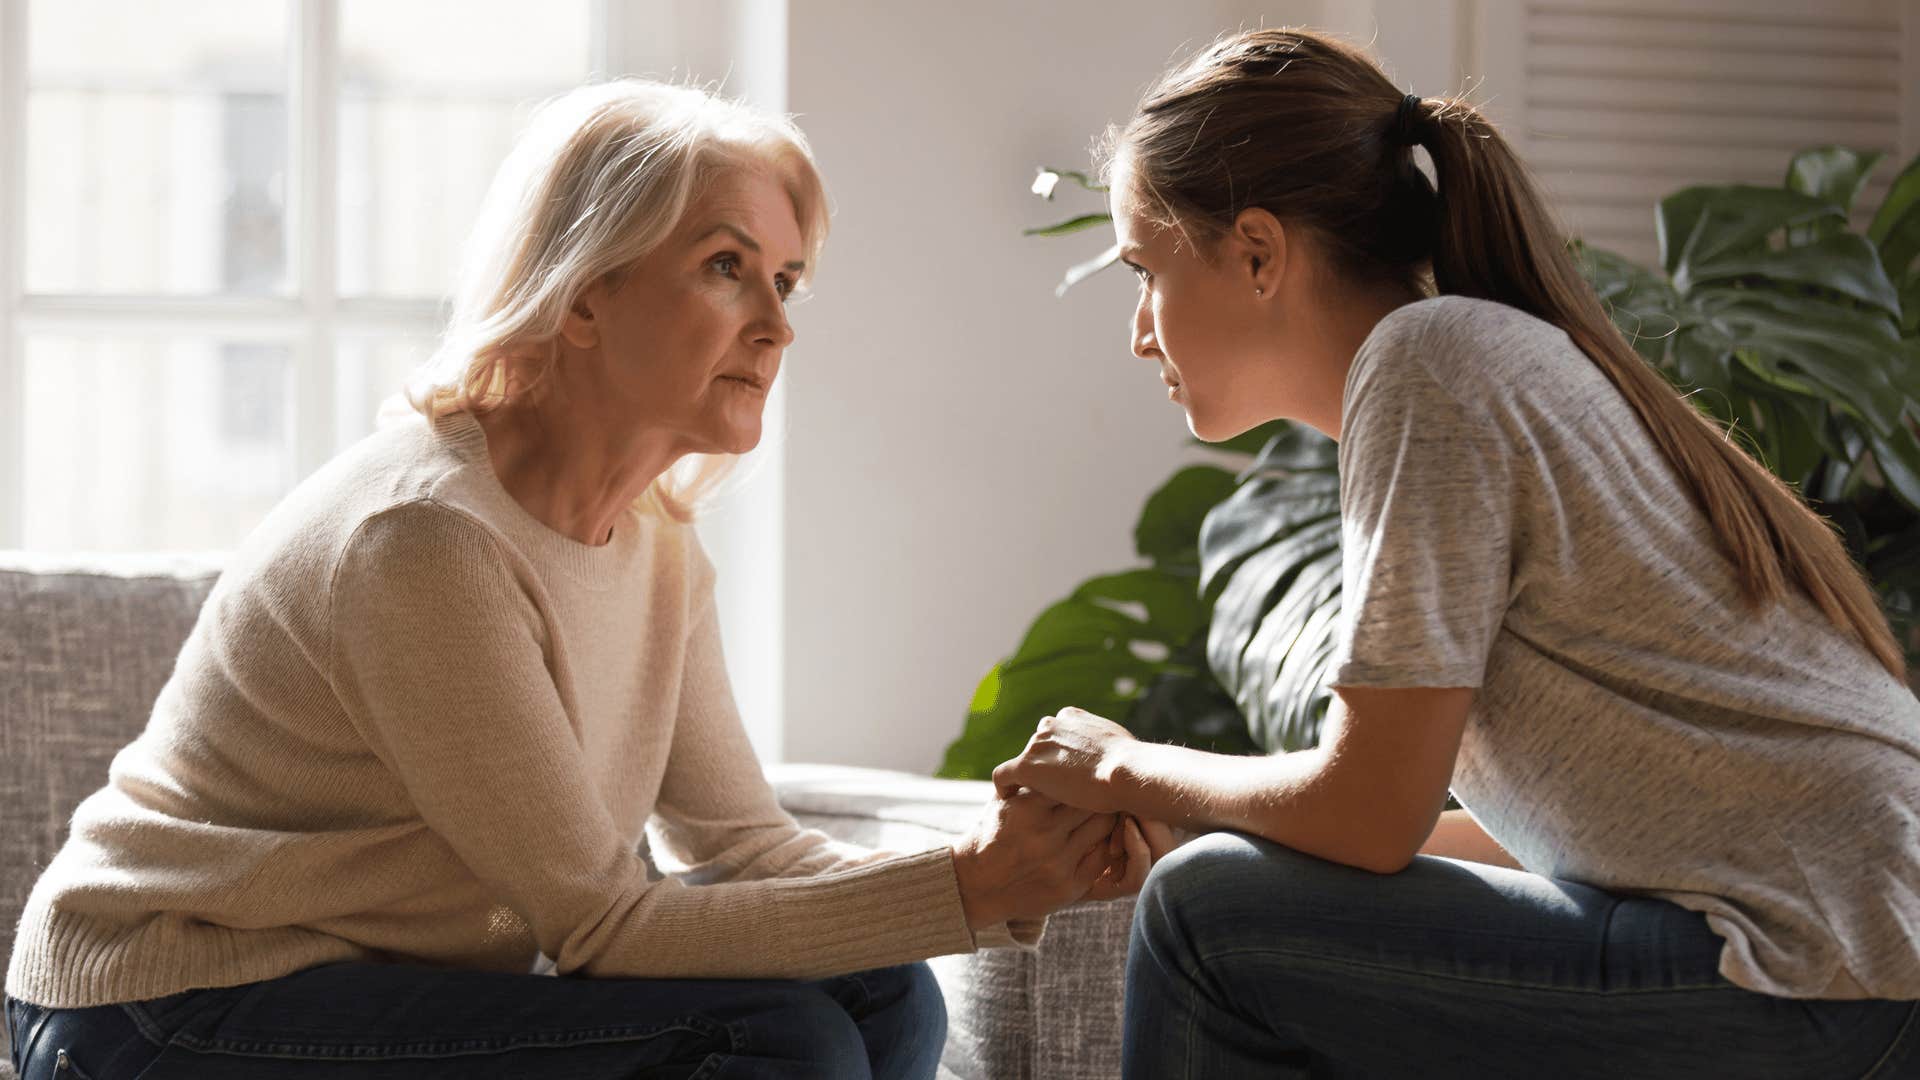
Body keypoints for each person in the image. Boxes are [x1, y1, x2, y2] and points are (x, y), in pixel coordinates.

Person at [3, 79, 1157, 1080]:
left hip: (367, 987)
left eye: (787, 282)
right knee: (774, 1045)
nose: (775, 328)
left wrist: (1005, 875)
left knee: (883, 991)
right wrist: (965, 880)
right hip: (155, 1012)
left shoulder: (656, 546)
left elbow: (742, 846)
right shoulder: (425, 540)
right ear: (583, 292)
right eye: (725, 268)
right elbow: (602, 923)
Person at [992, 28, 1920, 1078]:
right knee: (1226, 888)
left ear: (1257, 252)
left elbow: (1370, 813)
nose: (1139, 333)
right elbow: (1510, 838)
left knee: (1206, 922)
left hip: (1816, 972)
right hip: (1847, 964)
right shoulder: (1468, 360)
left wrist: (1127, 765)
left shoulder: (1426, 367)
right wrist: (1190, 809)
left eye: (1144, 271)